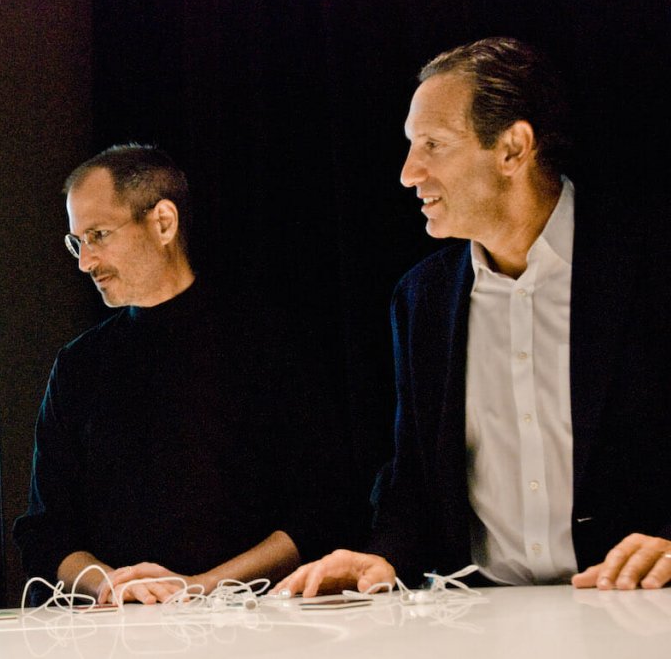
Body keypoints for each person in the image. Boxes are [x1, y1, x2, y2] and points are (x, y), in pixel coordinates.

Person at [274, 37, 671, 597]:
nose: (409, 173)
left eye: (433, 144)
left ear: (513, 148)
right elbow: (413, 479)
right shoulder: (422, 297)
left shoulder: (651, 262)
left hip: (639, 609)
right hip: (484, 618)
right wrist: (382, 556)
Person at [13, 143, 334, 606]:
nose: (85, 262)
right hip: (122, 630)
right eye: (77, 241)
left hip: (259, 622)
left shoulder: (265, 341)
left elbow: (320, 510)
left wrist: (201, 588)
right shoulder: (79, 365)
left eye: (99, 234)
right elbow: (45, 531)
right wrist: (113, 582)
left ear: (163, 222)